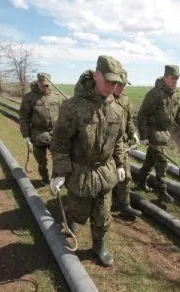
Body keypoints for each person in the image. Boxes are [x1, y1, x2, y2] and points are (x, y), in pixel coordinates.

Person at [50, 55, 126, 267]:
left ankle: (99, 246)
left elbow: (118, 140)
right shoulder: (73, 106)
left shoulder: (117, 109)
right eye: (108, 81)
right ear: (96, 75)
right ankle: (71, 225)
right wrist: (60, 173)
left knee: (102, 215)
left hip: (105, 172)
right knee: (78, 211)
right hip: (80, 172)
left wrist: (119, 163)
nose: (112, 87)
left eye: (116, 83)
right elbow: (60, 142)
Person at [136, 65, 180, 203]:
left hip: (164, 132)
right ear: (166, 77)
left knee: (150, 159)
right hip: (153, 131)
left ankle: (141, 182)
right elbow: (142, 115)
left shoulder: (175, 94)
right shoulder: (154, 94)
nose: (176, 81)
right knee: (161, 160)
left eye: (177, 78)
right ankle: (161, 190)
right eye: (173, 78)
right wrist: (143, 136)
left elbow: (179, 113)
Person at [19, 72, 65, 185]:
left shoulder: (57, 97)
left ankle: (56, 179)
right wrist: (26, 136)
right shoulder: (29, 97)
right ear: (38, 83)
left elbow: (65, 114)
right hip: (38, 135)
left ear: (50, 84)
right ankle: (44, 177)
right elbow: (23, 118)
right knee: (41, 161)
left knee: (58, 159)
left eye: (46, 85)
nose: (44, 87)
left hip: (55, 135)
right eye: (42, 85)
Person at [112, 69, 142, 218]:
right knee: (106, 176)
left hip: (121, 145)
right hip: (104, 146)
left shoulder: (125, 100)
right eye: (119, 84)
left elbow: (129, 121)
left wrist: (133, 133)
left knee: (126, 176)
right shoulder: (103, 99)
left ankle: (125, 205)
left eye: (124, 85)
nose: (122, 87)